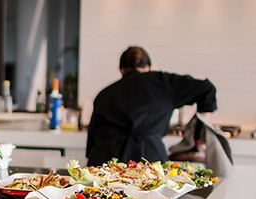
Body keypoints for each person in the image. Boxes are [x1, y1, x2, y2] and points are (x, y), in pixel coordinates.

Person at [85, 46, 217, 166]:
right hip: (148, 159)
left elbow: (92, 138)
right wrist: (200, 131)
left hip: (105, 160)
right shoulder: (163, 83)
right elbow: (207, 89)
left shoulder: (104, 94)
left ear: (121, 70)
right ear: (149, 68)